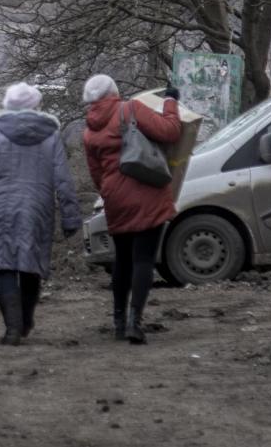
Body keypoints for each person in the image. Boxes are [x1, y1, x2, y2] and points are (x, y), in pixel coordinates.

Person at [0, 82, 81, 345]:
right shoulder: (51, 135)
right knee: (31, 266)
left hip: (0, 209)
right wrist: (71, 216)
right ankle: (25, 320)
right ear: (36, 105)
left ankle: (12, 329)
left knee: (4, 267)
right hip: (38, 210)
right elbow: (63, 178)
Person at [81, 75, 181, 344]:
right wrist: (171, 101)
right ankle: (135, 323)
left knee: (122, 260)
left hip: (116, 198)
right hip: (147, 190)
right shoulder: (130, 110)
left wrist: (111, 193)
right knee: (143, 259)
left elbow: (96, 173)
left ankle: (117, 322)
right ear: (113, 91)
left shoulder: (89, 131)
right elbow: (171, 131)